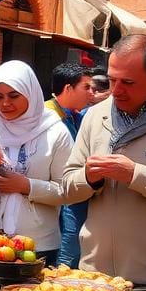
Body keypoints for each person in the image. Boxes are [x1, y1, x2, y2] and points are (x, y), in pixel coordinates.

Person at [62, 35, 146, 284]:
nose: (116, 91)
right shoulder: (96, 116)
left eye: (127, 82)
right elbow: (67, 186)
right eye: (112, 80)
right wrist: (89, 178)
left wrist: (135, 175)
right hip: (95, 274)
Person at [0, 61, 73, 264]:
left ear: (30, 93)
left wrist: (27, 186)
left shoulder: (56, 132)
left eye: (14, 96)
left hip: (36, 246)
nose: (5, 103)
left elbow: (68, 190)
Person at [45, 63, 94, 267]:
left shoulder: (74, 115)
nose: (92, 93)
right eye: (86, 87)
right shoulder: (48, 118)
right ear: (68, 89)